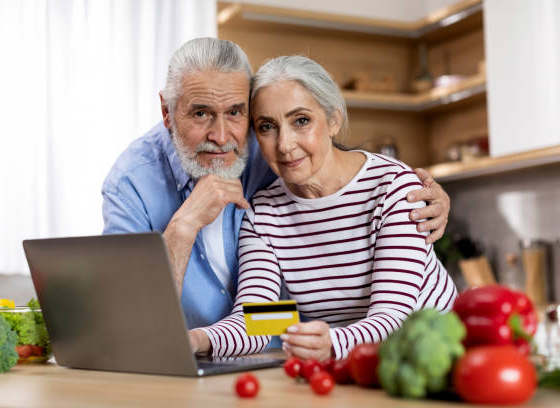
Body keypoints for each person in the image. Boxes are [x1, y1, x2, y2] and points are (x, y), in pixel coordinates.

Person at [102, 38, 451, 333]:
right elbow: (126, 327)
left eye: (236, 112)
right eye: (200, 113)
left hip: (311, 343)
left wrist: (419, 194)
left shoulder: (275, 156)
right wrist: (181, 228)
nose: (221, 136)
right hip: (255, 348)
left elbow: (336, 169)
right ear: (166, 111)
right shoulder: (132, 183)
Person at [188, 55, 456, 361]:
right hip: (356, 364)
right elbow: (257, 322)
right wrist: (194, 339)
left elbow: (393, 318)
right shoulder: (263, 213)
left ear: (333, 120)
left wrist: (330, 343)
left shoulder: (393, 188)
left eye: (301, 121)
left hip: (434, 351)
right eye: (267, 127)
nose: (285, 144)